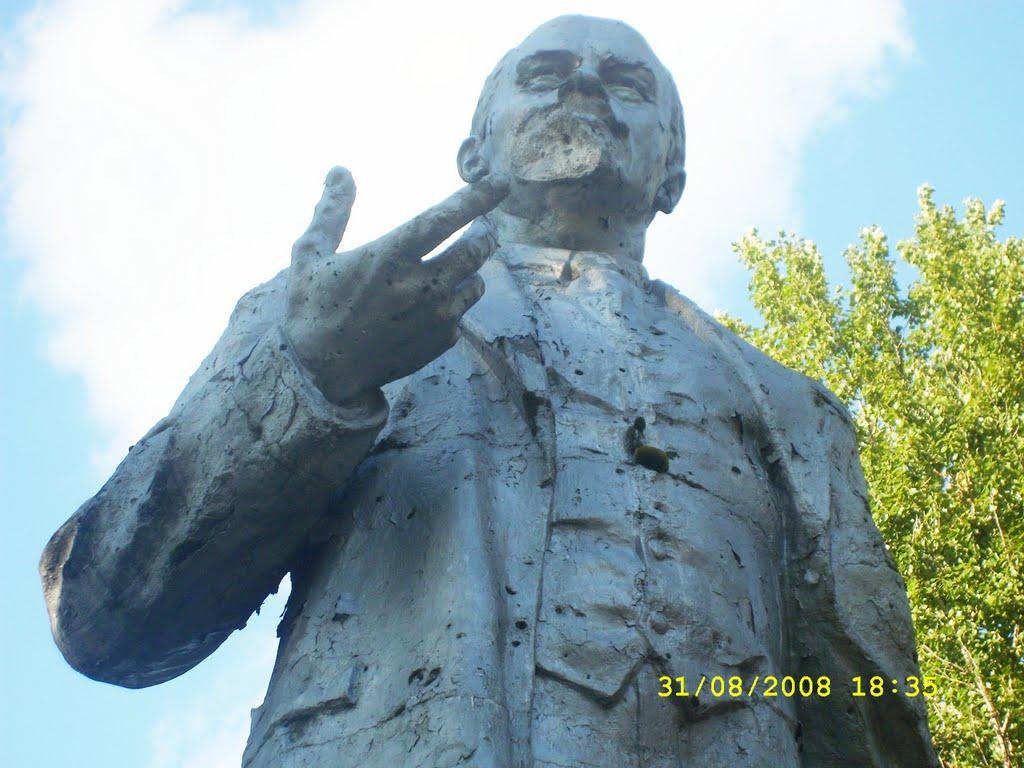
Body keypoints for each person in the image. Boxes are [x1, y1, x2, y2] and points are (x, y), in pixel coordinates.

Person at [40, 15, 937, 767]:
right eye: (545, 74)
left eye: (627, 84)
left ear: (673, 175)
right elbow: (106, 615)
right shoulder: (329, 316)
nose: (584, 87)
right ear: (475, 150)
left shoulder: (792, 411)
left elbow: (868, 716)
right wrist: (314, 375)